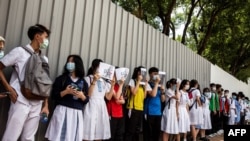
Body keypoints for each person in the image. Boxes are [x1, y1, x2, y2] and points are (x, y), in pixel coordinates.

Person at [0, 24, 50, 140]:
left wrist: (45, 104)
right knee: (11, 136)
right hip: (20, 100)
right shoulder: (19, 52)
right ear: (37, 36)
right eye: (46, 37)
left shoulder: (44, 59)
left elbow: (45, 83)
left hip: (37, 103)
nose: (47, 40)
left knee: (29, 138)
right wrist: (9, 89)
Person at [45, 55, 89, 140]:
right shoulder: (61, 79)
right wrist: (66, 92)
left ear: (77, 64)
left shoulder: (83, 82)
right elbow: (54, 96)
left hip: (76, 114)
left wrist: (81, 96)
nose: (69, 64)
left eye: (72, 62)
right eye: (68, 62)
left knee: (71, 137)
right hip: (62, 111)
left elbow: (86, 100)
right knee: (58, 136)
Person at [82, 59, 114, 141]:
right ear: (94, 67)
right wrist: (94, 80)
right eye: (98, 67)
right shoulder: (87, 79)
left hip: (101, 107)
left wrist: (113, 85)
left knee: (99, 133)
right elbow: (88, 94)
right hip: (90, 105)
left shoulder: (104, 81)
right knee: (88, 131)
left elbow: (108, 97)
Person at [124, 66, 152, 141]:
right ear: (137, 72)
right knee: (130, 130)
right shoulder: (132, 81)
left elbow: (144, 96)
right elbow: (134, 92)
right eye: (141, 72)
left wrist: (145, 85)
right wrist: (139, 81)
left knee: (137, 130)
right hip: (132, 108)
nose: (142, 74)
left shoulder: (143, 84)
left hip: (140, 108)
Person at [143, 67, 163, 141]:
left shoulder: (159, 85)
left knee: (156, 132)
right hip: (149, 111)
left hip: (158, 112)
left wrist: (163, 91)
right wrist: (157, 84)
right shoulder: (147, 84)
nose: (156, 75)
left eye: (157, 74)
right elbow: (153, 94)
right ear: (150, 74)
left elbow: (163, 99)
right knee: (148, 133)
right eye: (154, 74)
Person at [106, 66, 126, 141]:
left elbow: (122, 100)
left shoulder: (118, 85)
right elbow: (117, 97)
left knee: (119, 135)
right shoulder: (109, 84)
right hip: (112, 113)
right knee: (111, 135)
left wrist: (122, 100)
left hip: (120, 113)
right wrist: (121, 85)